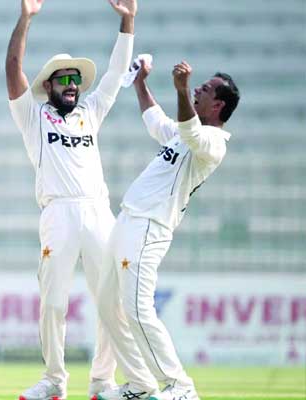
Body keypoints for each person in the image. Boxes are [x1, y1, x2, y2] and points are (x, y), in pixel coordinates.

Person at [5, 0, 159, 399]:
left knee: (111, 304)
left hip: (97, 210)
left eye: (75, 78)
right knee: (54, 303)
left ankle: (103, 382)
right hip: (58, 212)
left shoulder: (91, 111)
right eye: (63, 79)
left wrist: (128, 21)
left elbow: (112, 75)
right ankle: (54, 382)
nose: (72, 83)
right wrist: (25, 20)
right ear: (49, 86)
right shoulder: (34, 117)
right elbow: (12, 72)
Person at [95, 60, 240, 400]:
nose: (198, 88)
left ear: (218, 105)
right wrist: (140, 84)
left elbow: (190, 131)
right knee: (107, 306)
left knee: (137, 308)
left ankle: (180, 386)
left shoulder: (214, 142)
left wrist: (179, 90)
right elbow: (156, 120)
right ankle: (140, 384)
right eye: (197, 86)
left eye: (205, 88)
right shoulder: (182, 132)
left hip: (150, 227)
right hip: (127, 220)